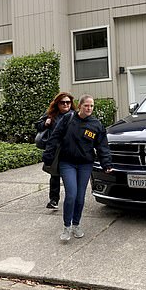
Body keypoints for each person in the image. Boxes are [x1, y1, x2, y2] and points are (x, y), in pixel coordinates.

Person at [43, 94, 113, 242]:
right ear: (80, 106)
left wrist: (106, 164)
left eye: (92, 106)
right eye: (86, 105)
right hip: (67, 163)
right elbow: (54, 138)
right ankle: (66, 227)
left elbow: (102, 147)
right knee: (71, 195)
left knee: (80, 197)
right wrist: (48, 157)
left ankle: (76, 224)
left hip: (85, 165)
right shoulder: (67, 119)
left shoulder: (96, 125)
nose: (89, 108)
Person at [35, 92, 76, 209]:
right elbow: (38, 126)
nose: (65, 105)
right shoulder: (51, 115)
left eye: (68, 102)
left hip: (70, 150)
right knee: (54, 175)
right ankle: (54, 200)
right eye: (62, 102)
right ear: (57, 104)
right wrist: (45, 123)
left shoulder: (75, 115)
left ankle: (71, 199)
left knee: (70, 176)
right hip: (55, 149)